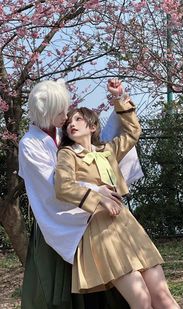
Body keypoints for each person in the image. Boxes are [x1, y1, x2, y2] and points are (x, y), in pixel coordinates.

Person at [54, 78, 180, 309]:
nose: (72, 123)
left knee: (163, 297)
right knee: (141, 301)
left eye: (79, 119)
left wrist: (118, 97)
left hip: (127, 223)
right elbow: (63, 187)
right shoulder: (67, 155)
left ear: (92, 127)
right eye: (69, 122)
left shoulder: (108, 150)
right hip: (99, 229)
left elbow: (133, 131)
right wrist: (98, 198)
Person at [18, 79, 129, 308]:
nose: (67, 115)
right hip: (56, 221)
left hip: (89, 214)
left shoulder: (63, 134)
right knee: (58, 295)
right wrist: (96, 191)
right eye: (61, 111)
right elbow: (54, 188)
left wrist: (119, 100)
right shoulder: (30, 144)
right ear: (47, 112)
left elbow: (98, 144)